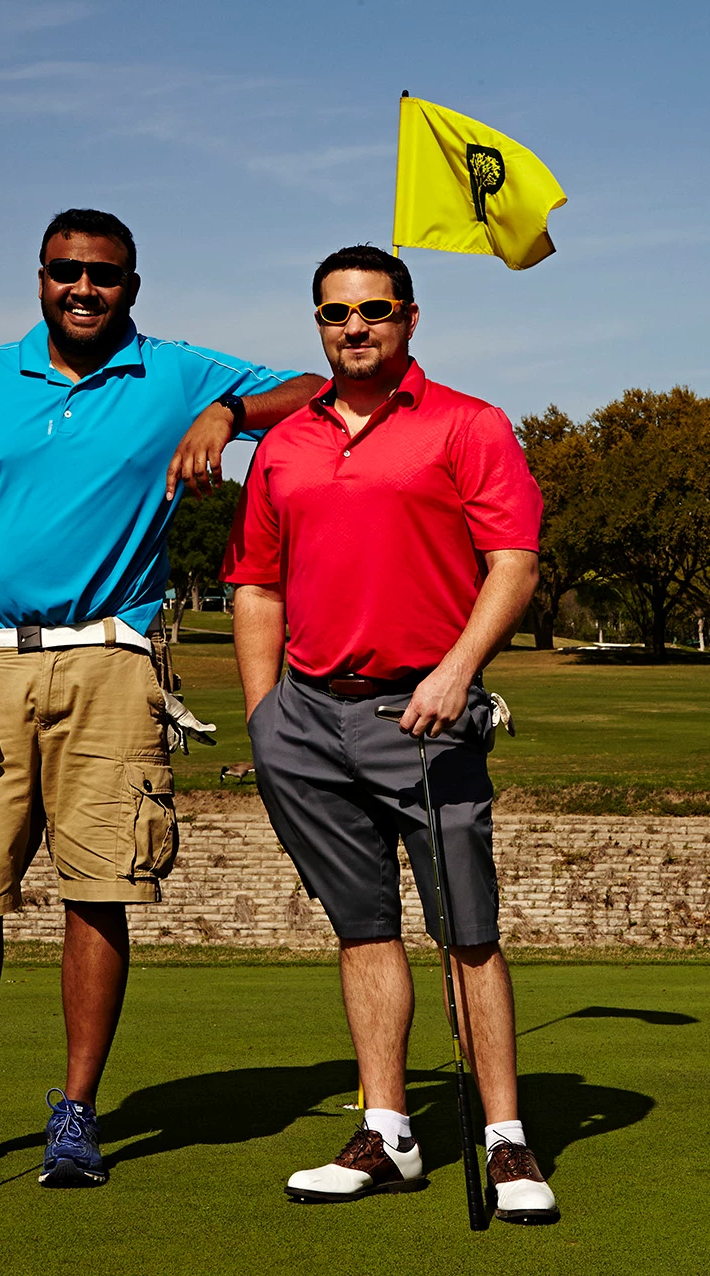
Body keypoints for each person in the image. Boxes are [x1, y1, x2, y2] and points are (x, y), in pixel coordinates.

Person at [0, 208, 325, 1188]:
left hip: (115, 661)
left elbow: (313, 388)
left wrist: (225, 416)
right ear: (39, 276)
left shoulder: (175, 371)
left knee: (102, 890)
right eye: (66, 271)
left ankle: (76, 1112)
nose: (85, 289)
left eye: (105, 276)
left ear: (132, 284)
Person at [222, 244, 558, 1224]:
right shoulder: (286, 445)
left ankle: (506, 1137)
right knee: (363, 927)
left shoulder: (468, 423)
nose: (354, 327)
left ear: (411, 317)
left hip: (427, 711)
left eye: (374, 309)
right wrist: (264, 712)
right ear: (317, 324)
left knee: (468, 933)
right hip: (309, 718)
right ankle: (388, 1130)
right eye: (335, 313)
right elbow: (254, 583)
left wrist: (458, 669)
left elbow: (514, 563)